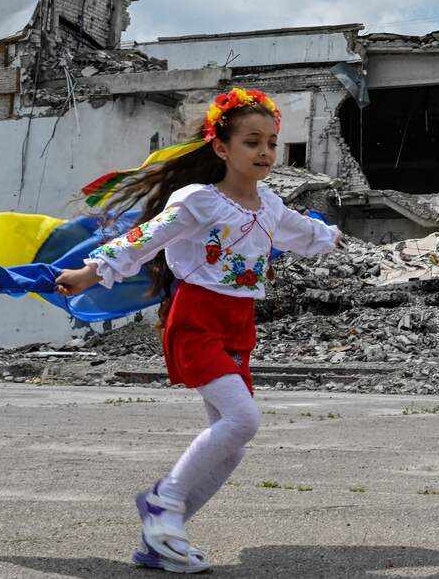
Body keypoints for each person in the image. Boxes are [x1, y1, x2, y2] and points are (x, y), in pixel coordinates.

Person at [54, 87, 341, 573]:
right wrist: (91, 272)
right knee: (243, 420)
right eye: (252, 142)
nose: (266, 152)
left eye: (272, 143)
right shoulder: (198, 201)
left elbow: (304, 233)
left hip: (238, 324)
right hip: (196, 319)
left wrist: (331, 234)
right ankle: (163, 503)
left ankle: (160, 538)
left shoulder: (269, 205)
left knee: (232, 448)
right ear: (221, 148)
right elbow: (144, 239)